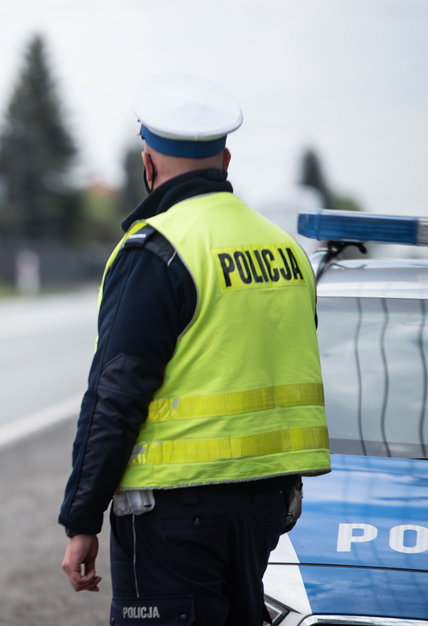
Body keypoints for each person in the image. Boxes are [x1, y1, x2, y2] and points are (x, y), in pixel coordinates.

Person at [58, 74, 331, 625]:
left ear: (149, 164)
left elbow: (116, 394)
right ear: (225, 160)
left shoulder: (157, 251)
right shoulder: (286, 251)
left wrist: (81, 518)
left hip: (174, 511)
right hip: (266, 503)